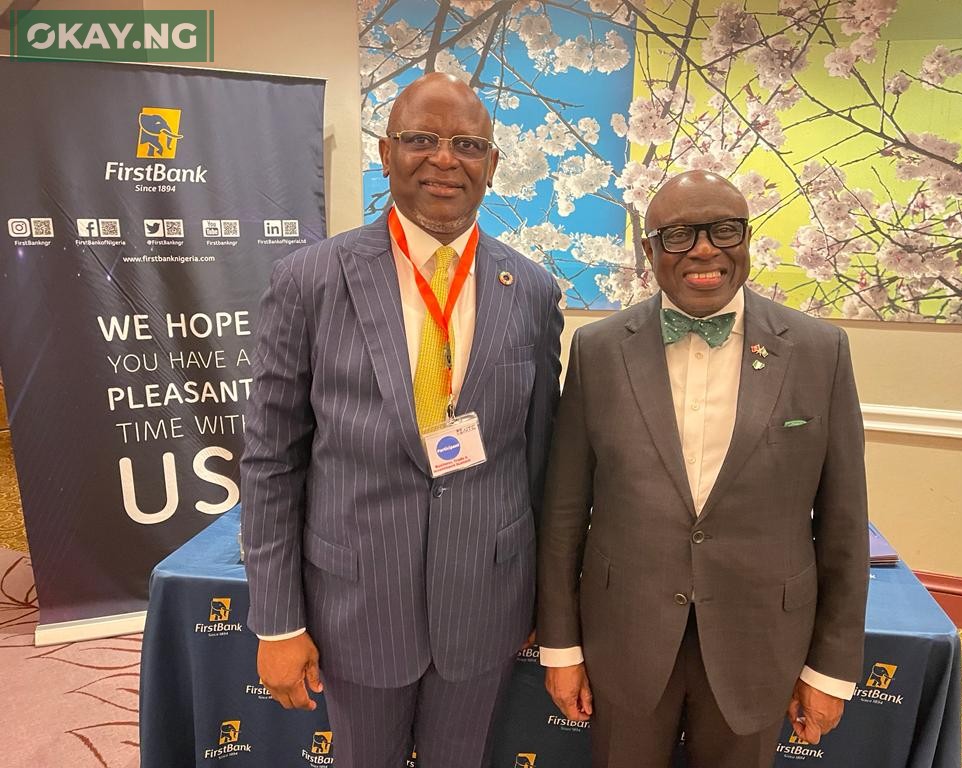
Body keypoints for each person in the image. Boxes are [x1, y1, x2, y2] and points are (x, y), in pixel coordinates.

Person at [241, 72, 563, 767]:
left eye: (467, 144)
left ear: (492, 165)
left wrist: (544, 600)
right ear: (385, 154)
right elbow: (271, 462)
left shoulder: (533, 291)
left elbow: (541, 462)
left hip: (485, 603)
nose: (444, 159)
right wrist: (276, 620)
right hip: (356, 601)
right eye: (421, 139)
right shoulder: (310, 281)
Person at [537, 171, 868, 768]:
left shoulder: (821, 352)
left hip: (760, 642)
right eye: (680, 235)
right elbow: (563, 513)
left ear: (746, 239)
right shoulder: (598, 350)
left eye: (723, 230)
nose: (705, 249)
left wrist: (832, 669)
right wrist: (561, 647)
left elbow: (844, 523)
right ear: (649, 250)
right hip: (626, 637)